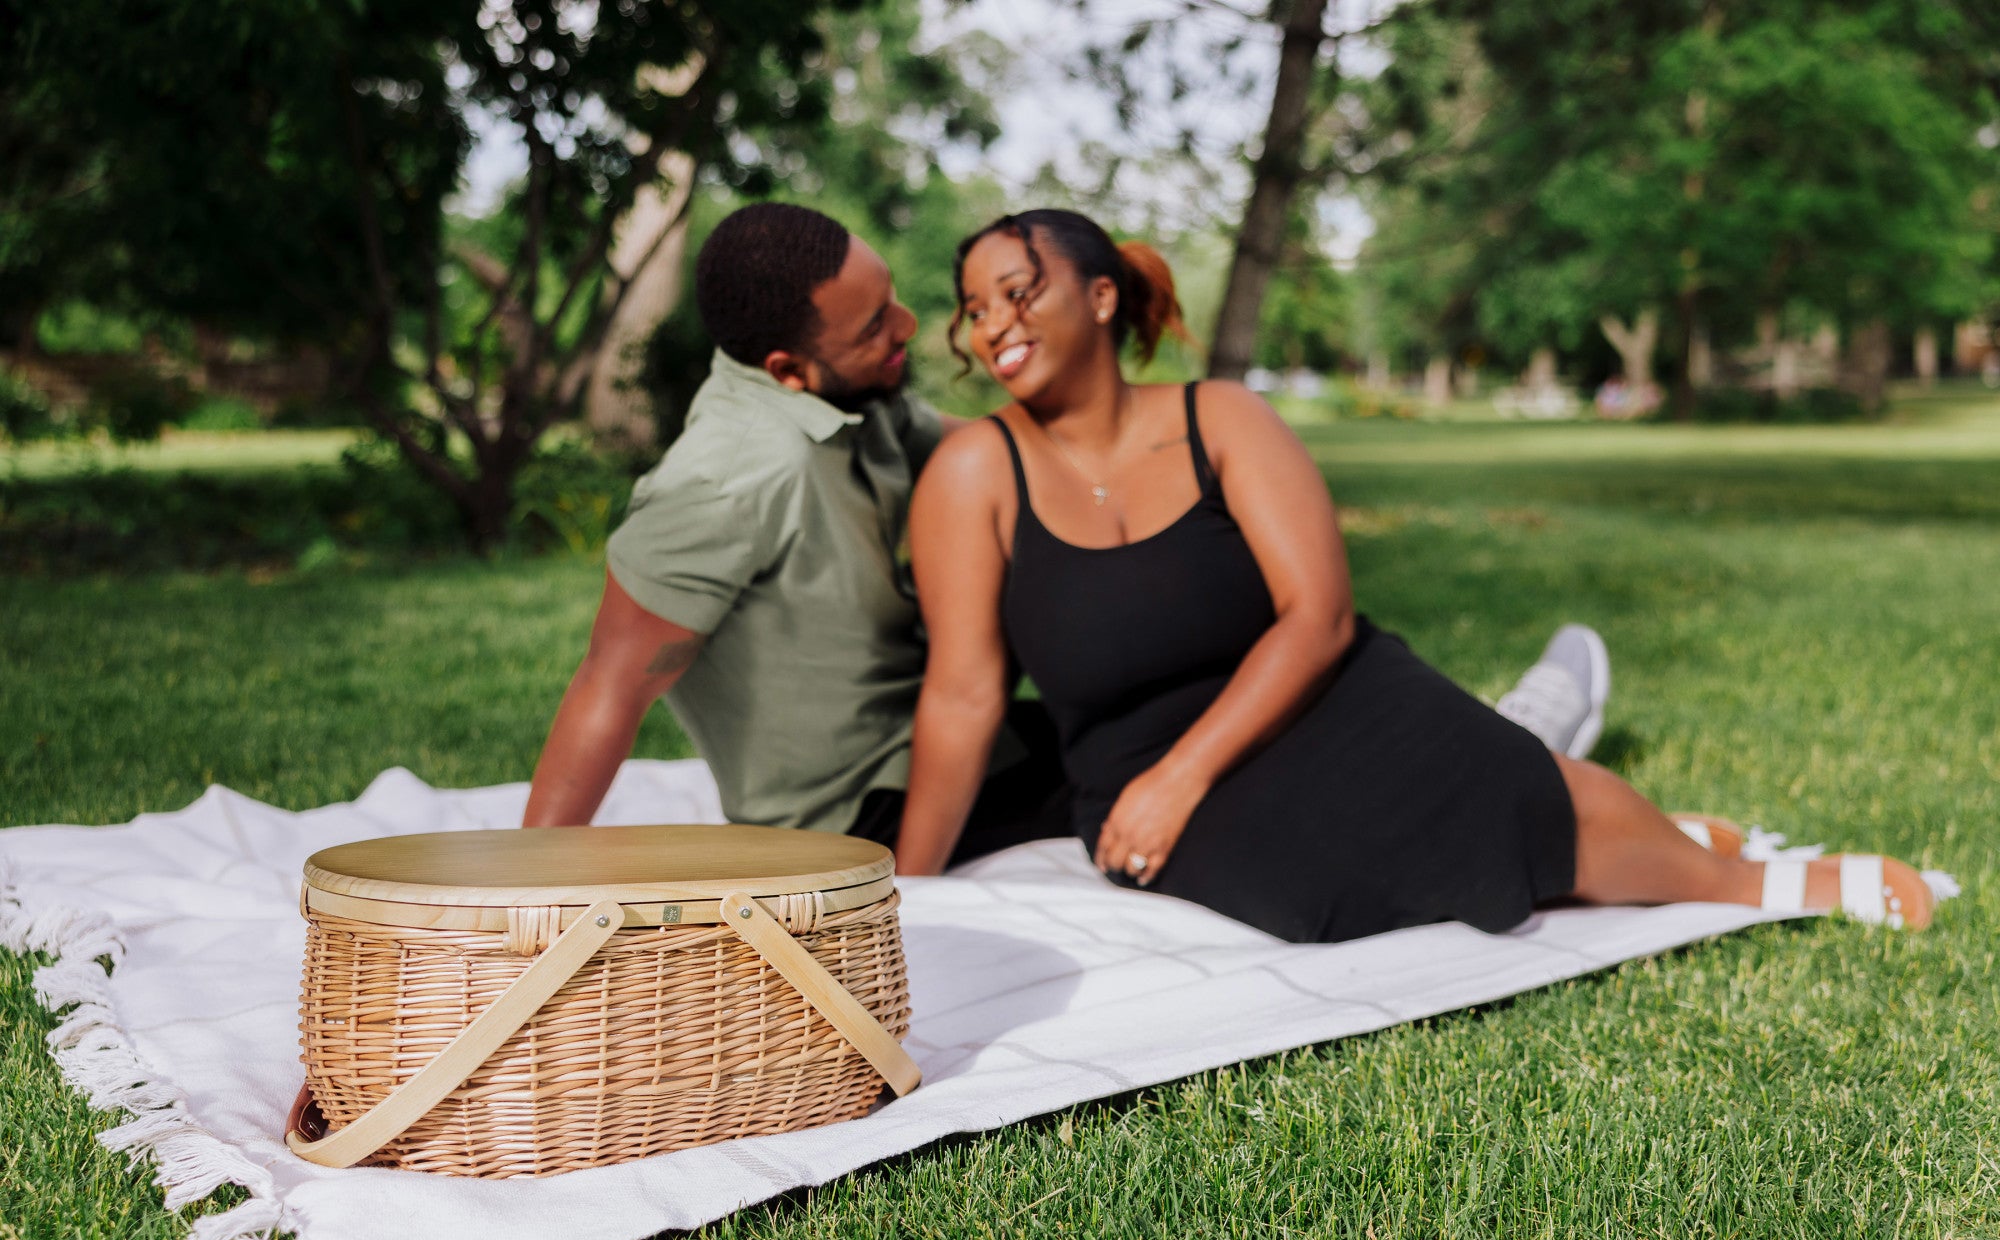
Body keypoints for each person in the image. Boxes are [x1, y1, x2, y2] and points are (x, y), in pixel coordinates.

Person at [893, 208, 1933, 939]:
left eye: (1017, 292)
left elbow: (1318, 615)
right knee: (1317, 891)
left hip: (1320, 694)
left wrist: (1184, 776)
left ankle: (1737, 874)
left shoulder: (1224, 420)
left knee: (1508, 788)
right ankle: (1649, 843)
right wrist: (907, 895)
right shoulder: (973, 471)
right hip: (1131, 772)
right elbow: (964, 690)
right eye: (974, 310)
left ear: (1103, 295)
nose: (995, 326)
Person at [522, 200, 1606, 863]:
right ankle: (1511, 746)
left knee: (1215, 684)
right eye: (875, 328)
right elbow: (611, 683)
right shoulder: (721, 482)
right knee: (1232, 767)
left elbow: (1022, 459)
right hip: (865, 809)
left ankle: (1474, 738)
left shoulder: (868, 402)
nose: (912, 330)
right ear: (787, 371)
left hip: (979, 743)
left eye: (899, 300)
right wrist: (511, 889)